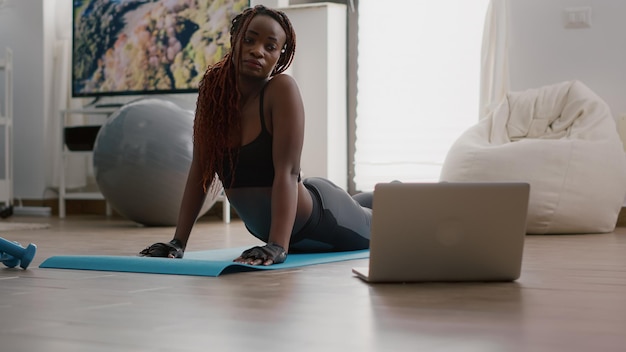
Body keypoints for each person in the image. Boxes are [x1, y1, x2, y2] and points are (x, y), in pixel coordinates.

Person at [139, 5, 373, 265]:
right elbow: (200, 169)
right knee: (363, 204)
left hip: (323, 219)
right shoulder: (213, 92)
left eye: (270, 46)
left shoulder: (280, 89)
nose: (257, 50)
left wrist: (277, 246)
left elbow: (288, 172)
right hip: (276, 229)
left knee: (381, 223)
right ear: (234, 39)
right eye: (249, 40)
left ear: (279, 55)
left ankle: (393, 191)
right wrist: (178, 242)